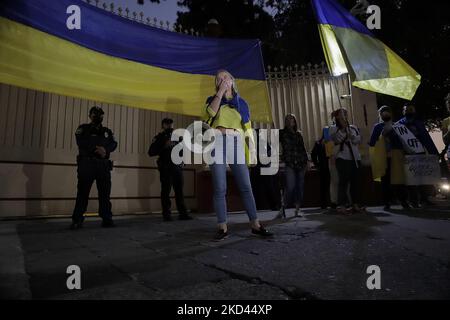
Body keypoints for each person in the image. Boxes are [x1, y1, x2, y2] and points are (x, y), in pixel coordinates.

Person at [203, 69, 273, 241]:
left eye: (225, 77)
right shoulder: (212, 100)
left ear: (232, 80)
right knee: (220, 187)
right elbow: (209, 115)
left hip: (236, 142)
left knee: (245, 186)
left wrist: (253, 153)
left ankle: (255, 225)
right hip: (216, 142)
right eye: (218, 79)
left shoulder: (242, 103)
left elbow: (248, 129)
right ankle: (222, 227)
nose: (222, 80)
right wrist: (219, 93)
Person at [71, 106, 118, 229]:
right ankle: (77, 220)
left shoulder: (107, 131)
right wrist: (98, 149)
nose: (98, 116)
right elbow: (81, 142)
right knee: (82, 193)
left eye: (100, 114)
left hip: (103, 166)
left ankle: (107, 218)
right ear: (90, 115)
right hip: (87, 164)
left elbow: (113, 144)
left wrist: (105, 150)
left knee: (105, 193)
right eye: (95, 114)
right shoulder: (83, 128)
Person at [148, 118, 192, 221]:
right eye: (168, 124)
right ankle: (166, 215)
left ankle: (183, 213)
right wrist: (164, 146)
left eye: (171, 124)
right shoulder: (159, 138)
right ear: (163, 125)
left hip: (177, 167)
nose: (170, 126)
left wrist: (183, 162)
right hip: (165, 167)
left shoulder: (178, 137)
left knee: (179, 191)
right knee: (165, 191)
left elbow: (184, 150)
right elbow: (151, 152)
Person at [369, 106, 410, 210]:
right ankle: (387, 202)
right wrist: (382, 135)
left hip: (397, 155)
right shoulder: (378, 127)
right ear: (380, 115)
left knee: (399, 179)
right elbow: (372, 142)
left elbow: (404, 141)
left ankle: (403, 201)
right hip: (384, 157)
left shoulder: (398, 126)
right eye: (383, 112)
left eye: (387, 112)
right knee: (385, 180)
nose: (386, 114)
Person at [397, 104, 439, 207]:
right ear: (403, 111)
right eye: (407, 110)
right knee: (411, 179)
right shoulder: (399, 125)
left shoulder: (418, 124)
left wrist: (434, 152)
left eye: (411, 109)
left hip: (420, 153)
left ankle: (424, 199)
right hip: (407, 154)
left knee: (423, 177)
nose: (409, 111)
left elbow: (426, 138)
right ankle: (413, 200)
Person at [329, 108, 365, 214]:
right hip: (343, 158)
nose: (344, 115)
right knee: (343, 182)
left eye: (345, 113)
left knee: (356, 182)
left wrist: (352, 136)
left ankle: (355, 204)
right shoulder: (333, 128)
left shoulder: (353, 127)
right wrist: (343, 131)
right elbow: (336, 140)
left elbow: (358, 139)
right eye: (341, 113)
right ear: (337, 116)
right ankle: (341, 205)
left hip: (355, 157)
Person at [279, 114, 309, 217]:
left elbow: (303, 148)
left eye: (292, 119)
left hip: (301, 163)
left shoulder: (298, 134)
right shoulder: (282, 133)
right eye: (287, 119)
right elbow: (274, 142)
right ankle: (283, 205)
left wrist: (307, 161)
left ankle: (297, 209)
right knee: (290, 186)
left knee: (299, 187)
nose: (290, 121)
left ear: (295, 121)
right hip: (290, 163)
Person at [311, 134, 330, 209]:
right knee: (324, 186)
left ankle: (326, 203)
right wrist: (317, 164)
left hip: (326, 166)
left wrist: (317, 164)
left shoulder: (330, 142)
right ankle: (324, 203)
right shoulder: (319, 143)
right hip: (324, 167)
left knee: (325, 185)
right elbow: (313, 154)